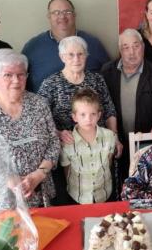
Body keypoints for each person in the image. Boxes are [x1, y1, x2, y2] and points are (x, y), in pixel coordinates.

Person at [0, 49, 60, 207]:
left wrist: (39, 174)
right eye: (8, 75)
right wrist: (8, 179)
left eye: (21, 74)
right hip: (2, 195)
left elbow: (53, 141)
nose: (16, 80)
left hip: (39, 189)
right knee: (8, 231)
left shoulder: (39, 104)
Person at [37, 35, 120, 204]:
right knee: (73, 192)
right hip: (68, 147)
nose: (76, 59)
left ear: (86, 56)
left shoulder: (96, 80)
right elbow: (40, 119)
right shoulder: (50, 84)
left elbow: (109, 109)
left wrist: (114, 136)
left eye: (81, 54)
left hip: (99, 146)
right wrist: (58, 133)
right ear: (62, 57)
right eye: (71, 55)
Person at [101, 28, 152, 183]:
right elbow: (102, 105)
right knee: (118, 182)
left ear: (143, 47)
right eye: (126, 48)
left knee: (144, 181)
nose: (131, 52)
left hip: (145, 140)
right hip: (116, 139)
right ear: (120, 50)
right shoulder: (107, 72)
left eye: (136, 46)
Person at [23, 0, 110, 92]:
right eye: (56, 12)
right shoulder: (33, 47)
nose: (62, 16)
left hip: (89, 104)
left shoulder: (93, 44)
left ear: (74, 15)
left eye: (67, 12)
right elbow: (20, 80)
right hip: (44, 106)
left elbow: (109, 78)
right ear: (49, 17)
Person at [60, 89, 116, 204]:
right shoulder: (67, 142)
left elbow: (108, 162)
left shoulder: (109, 136)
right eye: (83, 114)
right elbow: (67, 171)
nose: (88, 119)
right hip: (78, 196)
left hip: (104, 194)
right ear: (74, 117)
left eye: (93, 114)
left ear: (99, 115)